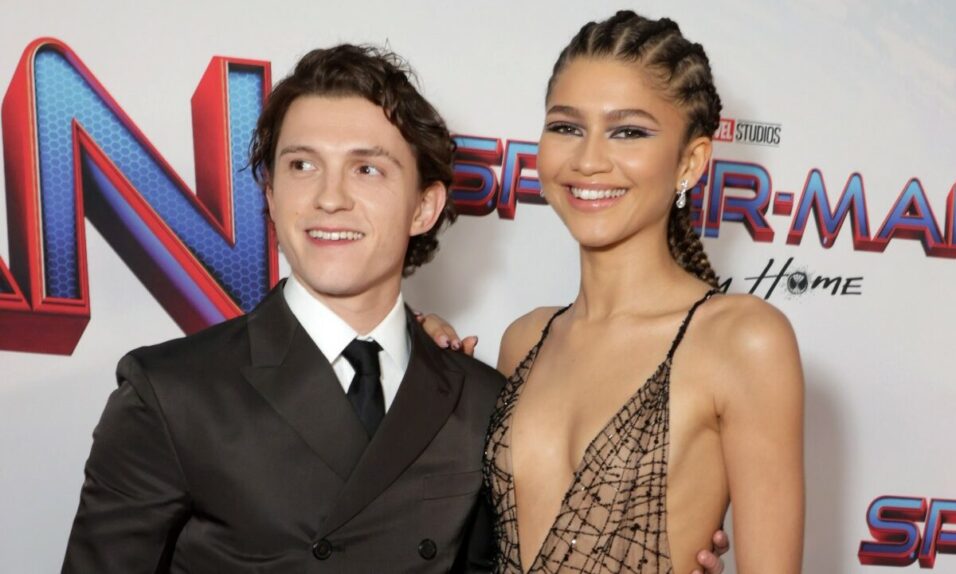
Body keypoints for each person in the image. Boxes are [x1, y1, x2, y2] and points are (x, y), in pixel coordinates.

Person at [61, 44, 506, 573]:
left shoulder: (480, 400)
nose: (329, 198)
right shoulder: (171, 394)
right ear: (271, 194)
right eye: (302, 165)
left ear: (424, 207)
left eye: (366, 169)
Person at [422, 11, 804, 573]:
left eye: (628, 131)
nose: (588, 160)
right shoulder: (524, 340)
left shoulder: (741, 340)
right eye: (566, 127)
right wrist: (418, 358)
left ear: (691, 161)